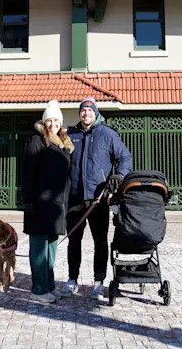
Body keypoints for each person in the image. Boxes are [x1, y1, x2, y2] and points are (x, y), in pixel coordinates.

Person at [61, 96, 133, 300]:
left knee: (100, 241)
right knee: (73, 241)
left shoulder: (107, 134)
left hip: (98, 199)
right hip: (75, 198)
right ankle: (72, 280)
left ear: (96, 112)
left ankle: (98, 281)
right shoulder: (71, 135)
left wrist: (119, 175)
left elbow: (125, 158)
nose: (86, 114)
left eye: (90, 111)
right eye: (83, 111)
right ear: (79, 113)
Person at [22, 100, 74, 304]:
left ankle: (49, 286)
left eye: (56, 120)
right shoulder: (36, 141)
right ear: (44, 122)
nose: (52, 124)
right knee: (39, 249)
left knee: (52, 247)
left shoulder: (63, 144)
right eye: (49, 120)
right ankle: (39, 289)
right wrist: (29, 200)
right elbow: (28, 173)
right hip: (39, 203)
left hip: (57, 205)